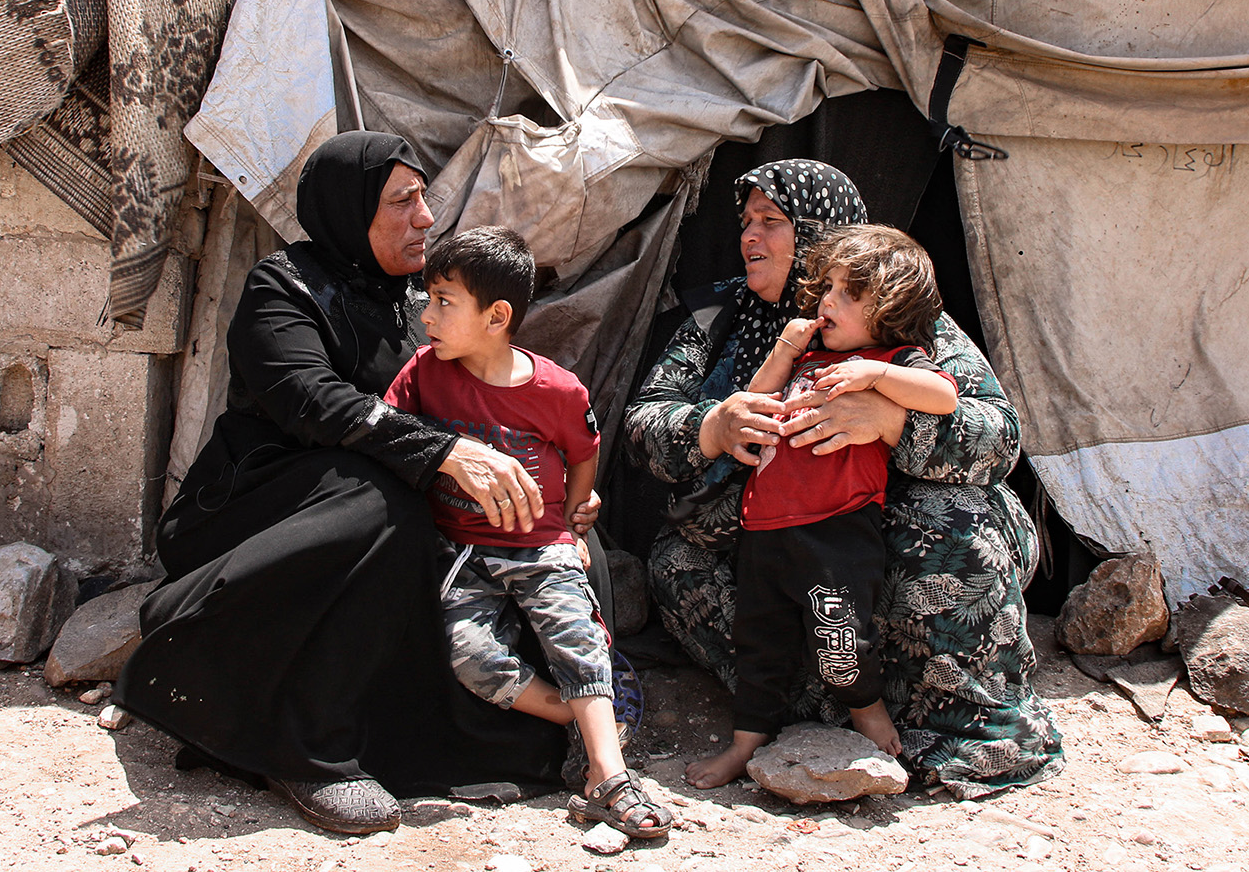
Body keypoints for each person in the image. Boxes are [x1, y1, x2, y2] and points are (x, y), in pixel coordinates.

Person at [113, 133, 587, 835]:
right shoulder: (283, 288)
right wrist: (447, 454)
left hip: (393, 505)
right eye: (403, 201)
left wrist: (553, 490)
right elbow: (312, 400)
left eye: (424, 197)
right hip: (268, 508)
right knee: (379, 503)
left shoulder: (420, 301)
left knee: (549, 534)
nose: (427, 216)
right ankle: (304, 745)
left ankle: (557, 716)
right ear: (348, 210)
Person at [625, 160, 1063, 797]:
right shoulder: (719, 318)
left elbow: (999, 437)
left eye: (771, 223)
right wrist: (711, 428)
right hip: (769, 523)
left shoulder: (897, 317)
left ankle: (957, 722)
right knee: (678, 564)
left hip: (874, 523)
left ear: (816, 234)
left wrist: (890, 421)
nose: (751, 237)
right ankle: (819, 708)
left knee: (951, 522)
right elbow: (643, 421)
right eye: (746, 223)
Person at [386, 226, 672, 839]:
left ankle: (610, 777)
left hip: (541, 547)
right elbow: (390, 433)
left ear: (497, 316)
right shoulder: (423, 375)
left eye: (443, 301)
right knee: (467, 652)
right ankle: (582, 713)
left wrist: (573, 518)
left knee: (574, 629)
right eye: (427, 298)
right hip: (461, 552)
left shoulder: (558, 390)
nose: (426, 315)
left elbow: (584, 453)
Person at [686, 224, 958, 788]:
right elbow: (758, 399)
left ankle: (865, 707)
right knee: (757, 641)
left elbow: (945, 396)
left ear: (888, 309)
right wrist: (786, 349)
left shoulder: (894, 357)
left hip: (835, 531)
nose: (826, 300)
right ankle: (746, 743)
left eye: (847, 294)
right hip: (764, 528)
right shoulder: (807, 355)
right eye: (827, 286)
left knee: (840, 631)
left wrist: (879, 373)